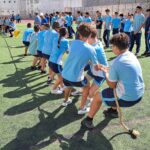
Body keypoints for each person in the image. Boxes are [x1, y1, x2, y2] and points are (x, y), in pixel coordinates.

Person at [81, 33, 144, 129]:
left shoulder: (117, 62)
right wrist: (106, 68)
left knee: (98, 96)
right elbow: (121, 71)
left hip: (128, 98)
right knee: (113, 91)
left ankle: (88, 120)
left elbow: (111, 85)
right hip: (139, 93)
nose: (112, 48)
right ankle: (113, 111)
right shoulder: (131, 55)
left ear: (116, 47)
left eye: (112, 46)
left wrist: (106, 73)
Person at [61, 24, 102, 115]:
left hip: (64, 74)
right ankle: (82, 108)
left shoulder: (73, 42)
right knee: (87, 86)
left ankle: (65, 101)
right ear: (90, 35)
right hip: (76, 78)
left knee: (68, 85)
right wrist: (104, 67)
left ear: (79, 34)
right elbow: (96, 66)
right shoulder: (91, 49)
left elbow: (77, 54)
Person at [85, 28, 108, 108]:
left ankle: (89, 100)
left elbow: (88, 62)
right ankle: (84, 93)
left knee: (91, 92)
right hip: (93, 69)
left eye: (87, 37)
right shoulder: (97, 42)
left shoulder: (94, 49)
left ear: (92, 36)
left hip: (101, 73)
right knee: (84, 82)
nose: (86, 39)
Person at [49, 27, 69, 94]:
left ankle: (62, 86)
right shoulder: (66, 41)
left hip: (51, 61)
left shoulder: (55, 39)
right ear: (66, 33)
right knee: (62, 77)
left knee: (59, 74)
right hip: (56, 63)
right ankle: (53, 89)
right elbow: (68, 51)